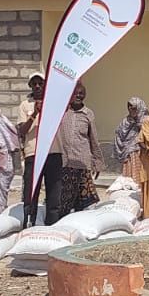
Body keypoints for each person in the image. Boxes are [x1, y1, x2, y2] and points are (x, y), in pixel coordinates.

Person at [50, 82, 102, 221]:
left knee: (85, 202)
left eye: (81, 93)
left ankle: (83, 226)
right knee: (64, 200)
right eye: (75, 93)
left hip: (82, 163)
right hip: (64, 163)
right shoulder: (62, 112)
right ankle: (63, 224)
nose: (78, 95)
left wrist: (97, 162)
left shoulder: (88, 114)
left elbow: (94, 139)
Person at [16, 73, 55, 228]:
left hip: (52, 152)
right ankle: (28, 222)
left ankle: (52, 224)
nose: (38, 86)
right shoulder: (25, 105)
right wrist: (35, 114)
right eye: (34, 84)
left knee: (53, 191)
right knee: (31, 191)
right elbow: (21, 131)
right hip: (33, 153)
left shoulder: (53, 102)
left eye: (41, 83)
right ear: (31, 86)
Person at [113, 97, 145, 181]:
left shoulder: (146, 120)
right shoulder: (126, 120)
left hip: (142, 152)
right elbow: (119, 134)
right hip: (128, 154)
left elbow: (148, 134)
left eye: (133, 106)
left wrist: (139, 124)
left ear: (138, 107)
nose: (131, 108)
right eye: (129, 106)